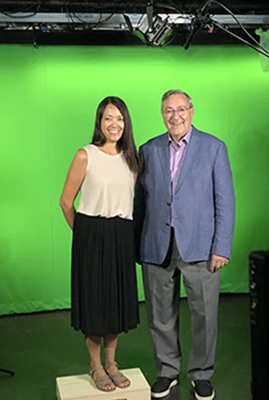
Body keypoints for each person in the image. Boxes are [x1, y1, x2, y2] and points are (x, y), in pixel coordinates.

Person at [134, 90, 235, 400]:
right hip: (156, 245)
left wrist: (222, 247)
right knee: (160, 315)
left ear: (192, 111)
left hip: (202, 248)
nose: (174, 116)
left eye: (180, 109)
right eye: (168, 110)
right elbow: (141, 202)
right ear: (161, 114)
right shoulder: (148, 149)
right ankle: (167, 370)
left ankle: (202, 374)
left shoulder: (214, 148)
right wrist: (137, 245)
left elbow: (226, 201)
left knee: (205, 315)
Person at [59, 96, 140, 392]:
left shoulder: (132, 160)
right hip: (91, 234)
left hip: (121, 234)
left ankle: (112, 362)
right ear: (99, 122)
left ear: (126, 122)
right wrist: (84, 235)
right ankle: (95, 365)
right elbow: (66, 202)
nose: (114, 124)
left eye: (119, 118)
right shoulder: (85, 155)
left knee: (115, 301)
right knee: (94, 302)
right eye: (108, 118)